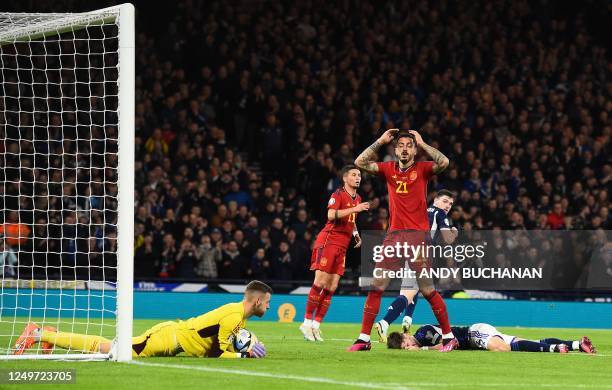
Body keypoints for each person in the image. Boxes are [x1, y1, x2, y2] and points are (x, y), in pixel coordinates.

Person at [349, 129, 458, 352]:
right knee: (376, 286)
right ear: (395, 150)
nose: (405, 148)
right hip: (394, 237)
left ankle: (449, 337)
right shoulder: (388, 169)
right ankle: (363, 339)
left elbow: (444, 161)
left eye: (410, 145)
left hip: (418, 238)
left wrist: (423, 143)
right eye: (401, 145)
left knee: (427, 290)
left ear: (414, 150)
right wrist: (380, 140)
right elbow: (359, 161)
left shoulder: (423, 169)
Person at [14, 280, 271, 359]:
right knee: (111, 351)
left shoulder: (239, 316)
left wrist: (244, 348)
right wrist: (242, 354)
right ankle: (37, 333)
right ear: (257, 300)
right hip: (165, 339)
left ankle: (49, 334)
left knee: (111, 349)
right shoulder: (233, 315)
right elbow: (217, 353)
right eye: (268, 302)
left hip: (172, 339)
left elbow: (219, 347)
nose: (269, 306)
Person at [375, 189, 458, 342]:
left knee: (410, 290)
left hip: (407, 249)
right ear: (436, 200)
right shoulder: (439, 214)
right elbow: (448, 239)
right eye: (445, 201)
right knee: (412, 292)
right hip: (420, 253)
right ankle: (384, 322)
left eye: (451, 204)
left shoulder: (421, 211)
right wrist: (454, 232)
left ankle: (406, 318)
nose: (447, 206)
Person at [300, 165, 370, 341]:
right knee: (320, 282)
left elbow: (351, 220)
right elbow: (331, 215)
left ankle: (316, 325)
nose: (358, 177)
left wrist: (355, 234)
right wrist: (355, 209)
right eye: (354, 175)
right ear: (345, 178)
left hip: (343, 246)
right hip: (328, 241)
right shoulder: (337, 195)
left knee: (331, 287)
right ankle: (306, 322)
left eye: (359, 175)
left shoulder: (358, 198)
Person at [387, 323, 597, 354]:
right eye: (405, 347)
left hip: (472, 334)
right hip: (476, 334)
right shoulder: (421, 338)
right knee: (520, 341)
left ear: (406, 335)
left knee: (501, 348)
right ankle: (577, 344)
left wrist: (422, 349)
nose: (409, 346)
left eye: (406, 343)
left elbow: (447, 343)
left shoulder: (423, 334)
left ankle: (556, 348)